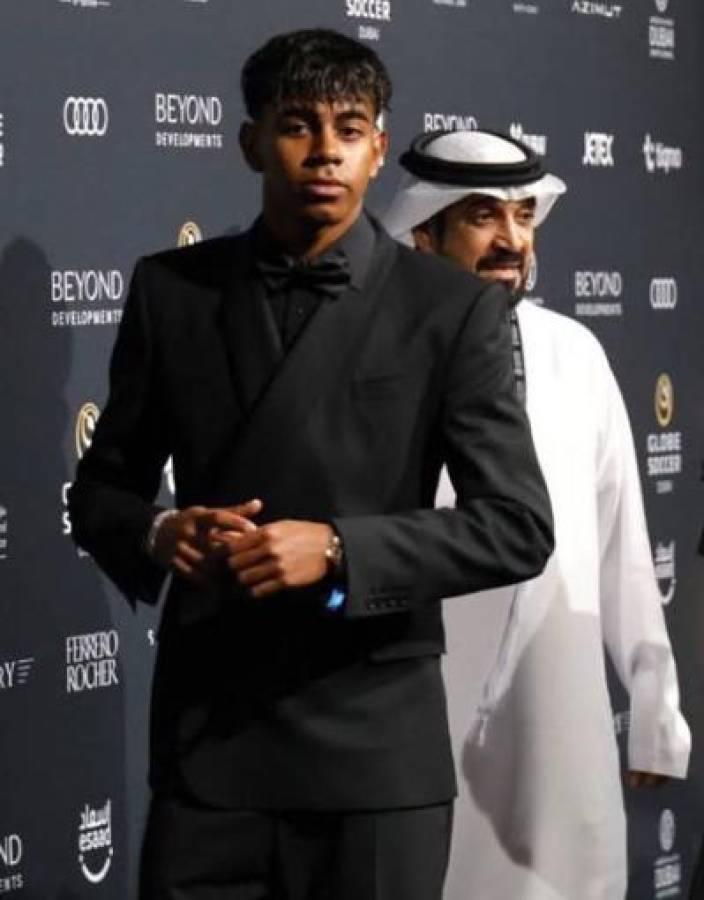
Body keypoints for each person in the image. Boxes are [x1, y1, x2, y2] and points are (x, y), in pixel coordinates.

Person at [68, 34, 553, 900]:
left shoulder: (450, 310)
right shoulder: (172, 292)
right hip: (209, 746)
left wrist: (337, 550)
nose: (325, 151)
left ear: (378, 147)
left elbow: (517, 526)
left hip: (373, 758)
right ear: (250, 142)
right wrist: (158, 531)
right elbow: (103, 490)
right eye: (298, 126)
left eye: (349, 128)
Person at [383, 128, 691, 900]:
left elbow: (622, 544)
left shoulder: (574, 353)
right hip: (416, 710)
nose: (512, 240)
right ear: (424, 233)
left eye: (524, 216)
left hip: (561, 714)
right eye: (483, 216)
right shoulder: (376, 353)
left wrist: (654, 702)